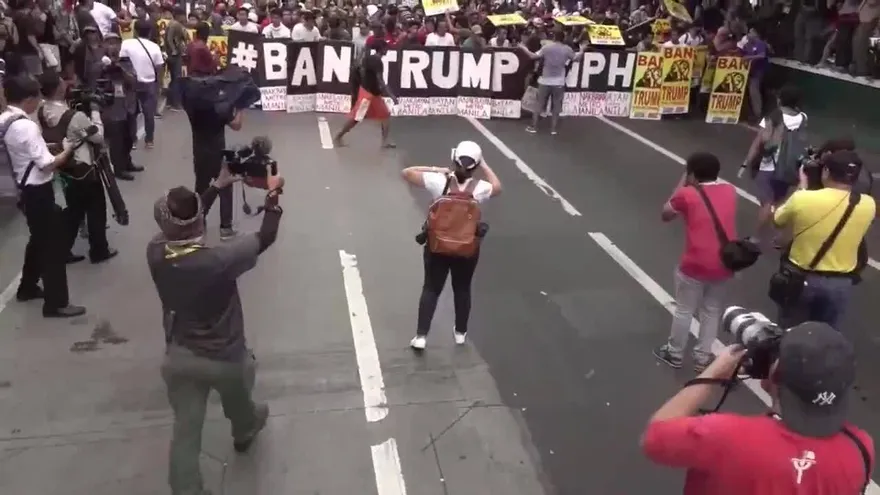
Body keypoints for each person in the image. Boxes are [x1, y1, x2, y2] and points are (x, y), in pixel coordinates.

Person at [148, 164, 284, 495]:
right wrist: (273, 194)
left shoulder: (156, 252)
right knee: (240, 399)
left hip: (179, 355)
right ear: (198, 222)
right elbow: (265, 236)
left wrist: (215, 187)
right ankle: (245, 428)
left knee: (185, 431)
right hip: (225, 357)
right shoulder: (220, 260)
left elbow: (183, 226)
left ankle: (186, 489)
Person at [643, 323, 873, 495]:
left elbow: (655, 437)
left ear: (773, 375)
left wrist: (713, 373)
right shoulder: (861, 449)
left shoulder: (725, 437)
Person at [400, 141, 502, 350]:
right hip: (467, 249)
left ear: (454, 159)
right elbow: (497, 187)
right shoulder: (480, 188)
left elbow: (407, 172)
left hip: (437, 246)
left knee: (431, 288)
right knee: (462, 289)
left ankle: (421, 336)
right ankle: (460, 333)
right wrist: (484, 164)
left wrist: (438, 169)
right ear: (475, 165)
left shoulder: (439, 182)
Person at [0, 74, 85, 318]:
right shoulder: (26, 125)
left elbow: (23, 151)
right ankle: (56, 303)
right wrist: (68, 148)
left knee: (38, 240)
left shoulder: (6, 120)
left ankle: (27, 287)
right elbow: (48, 165)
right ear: (29, 98)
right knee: (53, 247)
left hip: (21, 188)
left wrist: (42, 149)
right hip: (38, 190)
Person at [772, 150, 875, 329]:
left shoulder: (803, 198)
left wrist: (801, 187)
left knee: (790, 332)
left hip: (801, 279)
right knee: (825, 337)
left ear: (826, 171)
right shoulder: (868, 204)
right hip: (841, 284)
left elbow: (778, 220)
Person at [653, 152, 737, 373]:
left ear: (691, 173)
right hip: (724, 263)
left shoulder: (687, 195)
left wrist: (684, 180)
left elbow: (666, 213)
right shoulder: (730, 191)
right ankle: (702, 357)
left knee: (684, 309)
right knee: (712, 310)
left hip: (694, 264)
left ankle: (675, 353)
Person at [37, 70, 117, 264]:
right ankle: (99, 250)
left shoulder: (40, 110)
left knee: (73, 211)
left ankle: (63, 250)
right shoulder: (75, 116)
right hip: (84, 168)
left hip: (63, 167)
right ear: (57, 89)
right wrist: (95, 111)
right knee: (96, 208)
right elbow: (96, 136)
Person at [741, 86, 807, 248]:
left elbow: (760, 142)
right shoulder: (803, 117)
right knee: (778, 202)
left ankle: (756, 238)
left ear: (780, 99)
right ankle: (780, 237)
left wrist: (745, 164)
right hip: (790, 167)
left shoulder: (774, 116)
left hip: (769, 166)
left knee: (766, 203)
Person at [183, 76, 243, 240]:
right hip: (217, 152)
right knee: (225, 186)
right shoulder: (219, 108)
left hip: (200, 152)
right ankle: (226, 227)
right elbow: (237, 125)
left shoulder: (191, 107)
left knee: (201, 187)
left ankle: (198, 222)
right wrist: (240, 108)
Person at [517, 29, 587, 135]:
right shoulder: (567, 49)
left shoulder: (547, 48)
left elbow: (532, 56)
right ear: (563, 38)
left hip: (545, 80)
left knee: (539, 105)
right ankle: (553, 129)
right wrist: (582, 50)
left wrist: (523, 48)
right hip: (559, 82)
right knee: (556, 106)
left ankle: (534, 127)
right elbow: (576, 59)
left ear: (554, 37)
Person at [333, 39, 397, 148]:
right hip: (369, 95)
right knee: (356, 118)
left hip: (372, 93)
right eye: (386, 48)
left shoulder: (368, 58)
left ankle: (385, 141)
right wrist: (391, 95)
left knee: (385, 115)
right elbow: (380, 80)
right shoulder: (377, 62)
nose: (388, 50)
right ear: (381, 49)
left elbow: (360, 71)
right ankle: (338, 137)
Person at [103, 30, 140, 180]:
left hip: (129, 104)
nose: (113, 46)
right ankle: (118, 168)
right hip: (112, 107)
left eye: (116, 42)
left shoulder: (126, 62)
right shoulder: (100, 62)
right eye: (109, 42)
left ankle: (127, 162)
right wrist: (107, 67)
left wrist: (120, 69)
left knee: (130, 137)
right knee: (117, 139)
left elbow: (133, 81)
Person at [120, 21, 162, 148]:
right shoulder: (155, 47)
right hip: (149, 83)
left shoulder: (126, 43)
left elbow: (122, 62)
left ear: (135, 31)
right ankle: (149, 140)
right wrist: (158, 86)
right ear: (149, 32)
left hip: (131, 83)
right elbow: (159, 68)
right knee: (149, 113)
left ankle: (132, 140)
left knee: (131, 112)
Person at [163, 6, 188, 112]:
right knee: (176, 79)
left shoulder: (172, 23)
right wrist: (174, 49)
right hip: (174, 55)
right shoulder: (176, 24)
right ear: (179, 15)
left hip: (170, 54)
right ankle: (175, 104)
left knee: (173, 79)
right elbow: (169, 38)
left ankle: (170, 102)